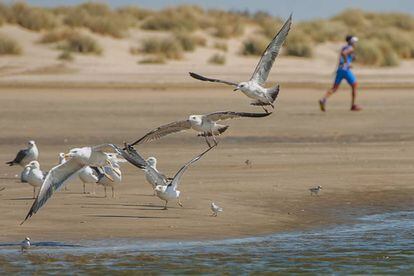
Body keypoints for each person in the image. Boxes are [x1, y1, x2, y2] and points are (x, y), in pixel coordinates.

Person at [319, 35, 362, 112]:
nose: (355, 43)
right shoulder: (350, 48)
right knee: (354, 85)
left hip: (340, 69)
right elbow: (344, 54)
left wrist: (350, 58)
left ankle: (323, 99)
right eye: (354, 42)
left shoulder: (344, 47)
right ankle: (353, 105)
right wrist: (347, 63)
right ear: (351, 42)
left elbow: (342, 56)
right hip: (346, 70)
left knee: (334, 88)